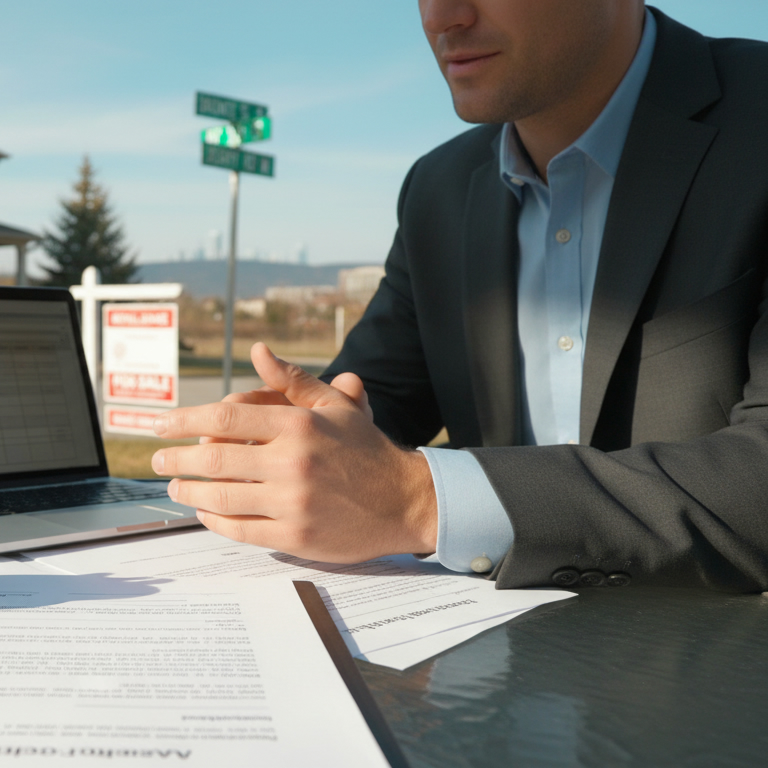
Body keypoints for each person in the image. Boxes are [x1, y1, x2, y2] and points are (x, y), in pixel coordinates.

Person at [150, 0, 768, 591]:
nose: (442, 18)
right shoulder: (437, 190)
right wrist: (287, 441)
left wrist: (420, 500)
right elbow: (371, 401)